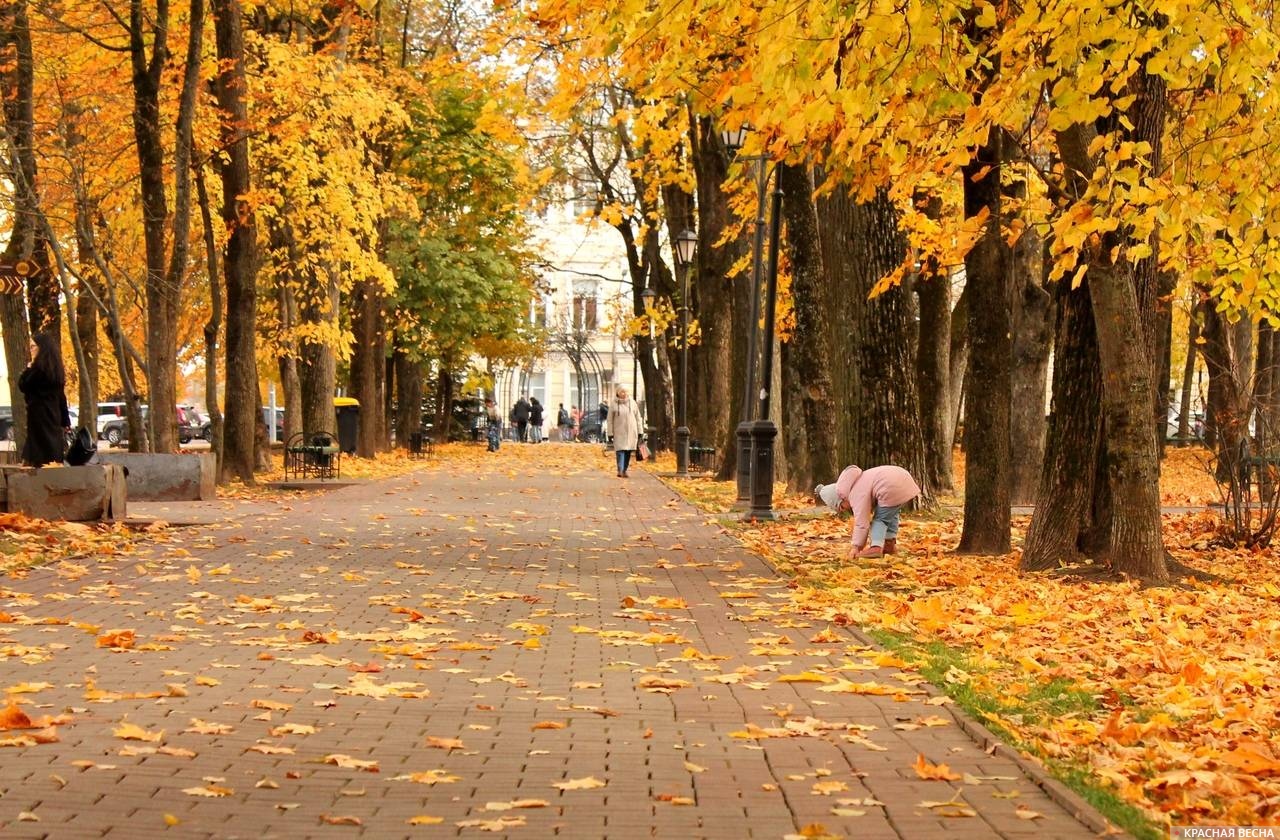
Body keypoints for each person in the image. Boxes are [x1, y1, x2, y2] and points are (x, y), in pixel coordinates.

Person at [815, 464, 920, 559]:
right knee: (890, 513)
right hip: (903, 479)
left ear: (841, 498)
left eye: (841, 507)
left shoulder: (855, 493)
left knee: (880, 519)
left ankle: (876, 547)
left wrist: (856, 547)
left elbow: (862, 522)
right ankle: (889, 543)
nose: (845, 509)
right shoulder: (860, 481)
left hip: (890, 486)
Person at [18, 331, 70, 467]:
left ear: (42, 348)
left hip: (39, 416)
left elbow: (23, 385)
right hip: (53, 416)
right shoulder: (55, 369)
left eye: (33, 346)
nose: (31, 350)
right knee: (51, 449)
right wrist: (65, 420)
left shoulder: (38, 369)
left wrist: (28, 369)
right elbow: (61, 396)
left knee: (39, 452)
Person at [605, 386, 642, 478]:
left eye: (625, 392)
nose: (624, 394)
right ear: (618, 393)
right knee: (620, 450)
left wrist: (640, 431)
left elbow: (638, 418)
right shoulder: (613, 404)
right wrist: (610, 433)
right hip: (619, 431)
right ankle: (620, 470)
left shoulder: (633, 403)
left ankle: (624, 470)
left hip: (631, 432)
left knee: (628, 451)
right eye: (622, 392)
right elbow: (609, 420)